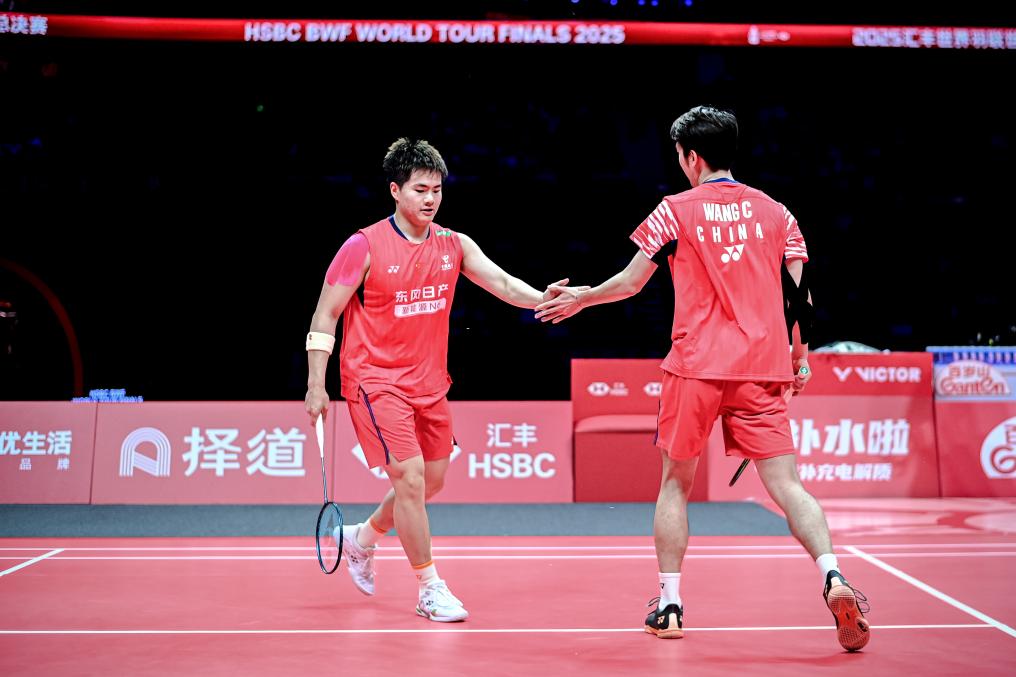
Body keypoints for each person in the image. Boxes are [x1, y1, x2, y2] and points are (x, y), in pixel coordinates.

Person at [535, 106, 870, 651]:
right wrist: (800, 359)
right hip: (761, 367)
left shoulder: (673, 210)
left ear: (691, 156)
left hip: (695, 367)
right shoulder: (779, 214)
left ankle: (669, 605)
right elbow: (800, 299)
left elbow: (630, 283)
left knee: (675, 484)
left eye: (678, 155)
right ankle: (832, 573)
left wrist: (583, 297)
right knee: (788, 486)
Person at [305, 138, 577, 623]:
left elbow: (503, 284)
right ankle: (429, 587)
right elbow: (326, 314)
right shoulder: (363, 245)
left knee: (431, 481)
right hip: (374, 380)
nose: (430, 199)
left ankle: (362, 538)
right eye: (420, 190)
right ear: (395, 190)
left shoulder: (454, 244)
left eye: (436, 190)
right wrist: (315, 383)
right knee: (409, 478)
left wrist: (543, 297)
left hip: (429, 383)